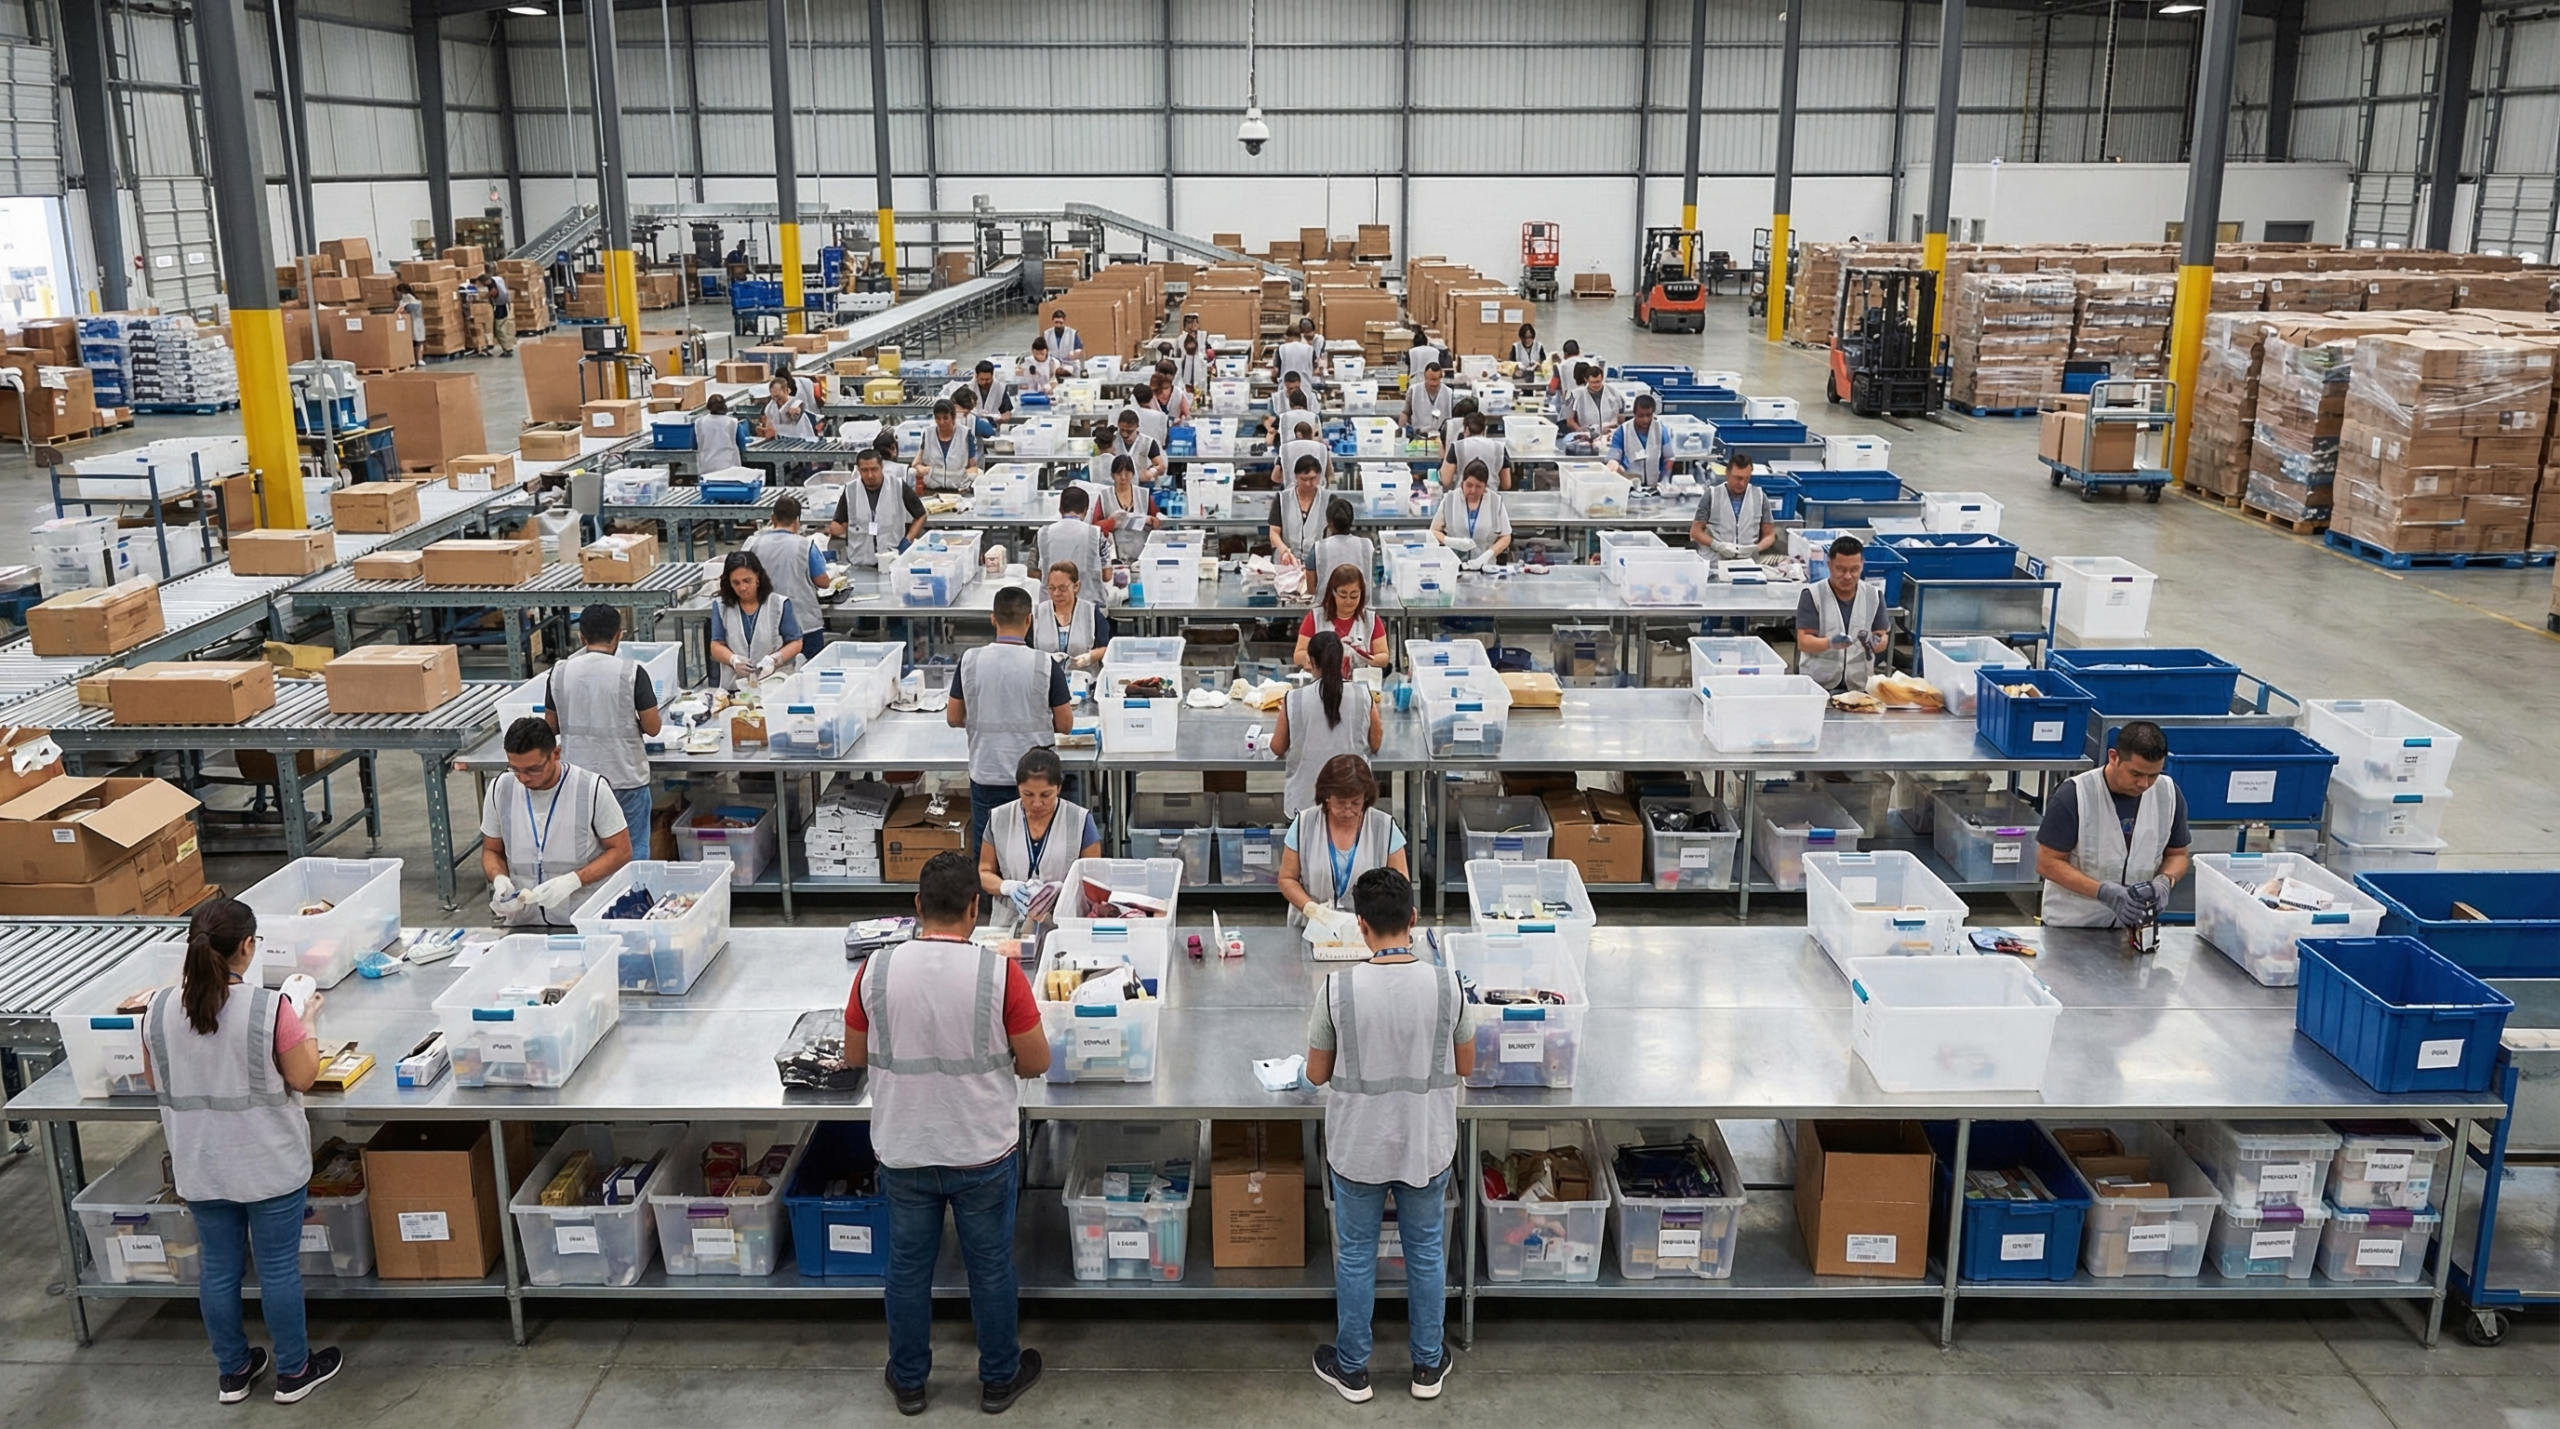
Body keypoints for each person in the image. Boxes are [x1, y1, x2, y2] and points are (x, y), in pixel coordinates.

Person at [843, 851, 1048, 1418]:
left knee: (907, 1270)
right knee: (990, 1267)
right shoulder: (998, 973)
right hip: (981, 1149)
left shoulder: (875, 970)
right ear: (974, 910)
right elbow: (1035, 1062)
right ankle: (999, 1379)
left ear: (916, 908)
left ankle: (909, 1382)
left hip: (904, 1148)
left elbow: (853, 1055)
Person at [146, 898, 345, 1407]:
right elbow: (303, 1076)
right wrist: (308, 1024)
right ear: (249, 947)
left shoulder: (157, 1008)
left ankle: (233, 1372)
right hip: (268, 1163)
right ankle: (294, 1371)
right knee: (277, 1267)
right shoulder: (268, 1007)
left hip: (200, 1164)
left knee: (218, 1268)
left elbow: (156, 1081)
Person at [1305, 866, 1465, 1405]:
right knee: (1424, 1251)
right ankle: (1426, 1366)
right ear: (1414, 920)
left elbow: (1315, 1074)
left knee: (1355, 1254)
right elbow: (1465, 1061)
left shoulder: (1338, 987)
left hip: (1359, 1149)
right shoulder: (1449, 984)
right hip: (1426, 1142)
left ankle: (1352, 1368)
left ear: (1360, 926)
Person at [949, 585, 1076, 847]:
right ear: (1029, 619)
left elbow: (953, 716)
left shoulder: (970, 660)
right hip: (1036, 782)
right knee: (1038, 851)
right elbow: (1065, 724)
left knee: (989, 856)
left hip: (987, 772)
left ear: (993, 619)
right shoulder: (1045, 663)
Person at [2037, 720, 2193, 929]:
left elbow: (2177, 854)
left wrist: (2165, 881)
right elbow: (2047, 863)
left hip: (2132, 931)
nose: (2144, 784)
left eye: (2153, 775)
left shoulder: (2168, 795)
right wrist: (2103, 892)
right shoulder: (2076, 794)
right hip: (2072, 927)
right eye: (2136, 774)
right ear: (2113, 757)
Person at [479, 716, 633, 927]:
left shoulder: (591, 789)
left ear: (556, 754)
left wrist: (574, 880)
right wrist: (499, 878)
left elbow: (621, 850)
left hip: (582, 920)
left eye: (533, 769)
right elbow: (492, 850)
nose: (523, 778)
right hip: (525, 923)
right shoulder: (500, 790)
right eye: (515, 769)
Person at [544, 604, 663, 841]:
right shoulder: (632, 672)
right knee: (632, 852)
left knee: (586, 853)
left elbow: (550, 728)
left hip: (577, 780)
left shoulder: (559, 672)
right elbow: (653, 727)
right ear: (619, 634)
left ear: (581, 636)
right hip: (624, 778)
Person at [1278, 755, 1410, 934]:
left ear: (1366, 797)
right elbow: (1287, 878)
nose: (1348, 811)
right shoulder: (1304, 824)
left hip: (1368, 931)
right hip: (1310, 928)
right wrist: (1312, 909)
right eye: (1340, 803)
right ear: (1326, 796)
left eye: (1356, 803)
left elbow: (1401, 885)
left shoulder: (1385, 827)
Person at [1274, 632, 1384, 816]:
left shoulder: (1294, 698)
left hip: (1305, 802)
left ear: (1311, 661)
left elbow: (1277, 747)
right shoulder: (1363, 694)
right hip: (1351, 802)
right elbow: (1375, 743)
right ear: (1341, 660)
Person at [977, 745, 1101, 905]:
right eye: (1027, 794)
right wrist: (1007, 886)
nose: (1036, 803)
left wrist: (1065, 889)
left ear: (1059, 788)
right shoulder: (999, 818)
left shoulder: (1080, 820)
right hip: (1010, 919)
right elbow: (984, 872)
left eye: (1045, 794)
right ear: (1018, 788)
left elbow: (1093, 879)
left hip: (1062, 917)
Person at [1794, 534, 1889, 694]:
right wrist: (1830, 643)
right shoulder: (1813, 594)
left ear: (1862, 565)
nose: (1847, 576)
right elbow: (1803, 641)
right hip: (1819, 685)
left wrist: (1875, 643)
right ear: (1829, 565)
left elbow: (1883, 635)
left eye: (1854, 570)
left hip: (1859, 685)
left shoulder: (1874, 596)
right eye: (1841, 569)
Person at [709, 549, 807, 690]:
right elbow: (716, 645)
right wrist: (733, 660)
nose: (742, 588)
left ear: (758, 578)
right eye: (736, 583)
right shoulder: (721, 607)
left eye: (747, 581)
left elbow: (796, 642)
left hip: (772, 685)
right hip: (734, 688)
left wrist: (774, 659)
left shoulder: (779, 604)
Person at [743, 493, 829, 644]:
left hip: (766, 622)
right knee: (809, 666)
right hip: (803, 622)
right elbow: (823, 582)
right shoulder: (805, 545)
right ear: (797, 521)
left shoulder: (755, 545)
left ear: (773, 519)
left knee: (771, 666)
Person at [830, 447, 929, 566]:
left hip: (892, 557)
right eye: (865, 470)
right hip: (860, 560)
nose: (870, 475)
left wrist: (908, 540)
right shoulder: (851, 490)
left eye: (874, 469)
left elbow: (921, 515)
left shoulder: (897, 485)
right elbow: (838, 522)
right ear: (858, 470)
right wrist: (840, 529)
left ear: (882, 467)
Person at [1295, 563, 1391, 674]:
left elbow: (1384, 658)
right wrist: (1320, 658)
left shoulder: (1371, 620)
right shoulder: (1316, 617)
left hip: (1359, 683)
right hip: (1322, 683)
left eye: (1354, 596)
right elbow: (1298, 656)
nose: (1348, 601)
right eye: (1343, 595)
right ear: (1333, 592)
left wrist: (1363, 657)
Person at [1691, 452, 1776, 559]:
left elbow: (1769, 534)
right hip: (1715, 564)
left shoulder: (1759, 496)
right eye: (1738, 478)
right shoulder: (1712, 495)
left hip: (1747, 563)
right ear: (1727, 473)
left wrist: (1756, 548)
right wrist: (1717, 546)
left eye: (1746, 478)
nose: (1742, 483)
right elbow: (1695, 532)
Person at [1430, 461, 1512, 566]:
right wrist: (1449, 541)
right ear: (1462, 483)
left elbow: (1505, 536)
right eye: (1469, 485)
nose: (1473, 490)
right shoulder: (1449, 500)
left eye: (1478, 486)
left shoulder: (1495, 501)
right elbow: (1434, 531)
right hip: (1454, 565)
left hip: (1486, 567)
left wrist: (1487, 556)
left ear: (1485, 487)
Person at [1032, 560, 1110, 668]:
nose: (1056, 593)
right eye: (1051, 588)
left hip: (1084, 679)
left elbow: (1107, 648)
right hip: (1046, 679)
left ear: (1076, 586)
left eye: (1062, 588)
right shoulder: (1036, 614)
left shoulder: (1091, 613)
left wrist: (1090, 657)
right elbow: (1026, 651)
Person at [1038, 485, 1109, 598]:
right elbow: (1107, 575)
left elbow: (1038, 572)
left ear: (1060, 510)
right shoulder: (1096, 534)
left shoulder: (1043, 533)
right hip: (1088, 605)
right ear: (1086, 510)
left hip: (1052, 605)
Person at [1095, 453, 1158, 565]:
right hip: (1115, 558)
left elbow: (1158, 523)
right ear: (1112, 475)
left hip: (1142, 556)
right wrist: (1111, 523)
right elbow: (1095, 527)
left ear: (1133, 474)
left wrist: (1152, 521)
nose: (1123, 477)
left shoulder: (1144, 495)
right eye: (1119, 473)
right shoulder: (1104, 496)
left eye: (1127, 473)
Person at [1269, 453, 1330, 567]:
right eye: (1304, 479)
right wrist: (1284, 550)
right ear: (1296, 477)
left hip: (1318, 563)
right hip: (1287, 562)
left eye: (1313, 478)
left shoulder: (1328, 499)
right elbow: (1274, 532)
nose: (1308, 483)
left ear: (1319, 476)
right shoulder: (1283, 499)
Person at [1306, 498, 1374, 599]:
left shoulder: (1318, 549)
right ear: (1351, 520)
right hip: (1360, 611)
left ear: (1329, 523)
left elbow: (1311, 590)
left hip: (1327, 612)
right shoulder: (1366, 545)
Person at [914, 399, 982, 494]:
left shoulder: (965, 434)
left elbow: (973, 467)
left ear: (953, 417)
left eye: (945, 418)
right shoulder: (928, 433)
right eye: (938, 418)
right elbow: (916, 464)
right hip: (932, 489)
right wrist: (921, 469)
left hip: (959, 490)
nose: (942, 422)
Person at [1440, 409, 1511, 493]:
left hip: (1462, 498)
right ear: (1484, 430)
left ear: (1466, 429)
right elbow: (1506, 484)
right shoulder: (1500, 447)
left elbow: (1446, 481)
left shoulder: (1457, 447)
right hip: (1490, 498)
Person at [1607, 392, 1671, 485]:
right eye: (1641, 416)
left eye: (1649, 415)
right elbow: (1614, 455)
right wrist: (1613, 463)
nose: (1645, 420)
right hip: (1630, 484)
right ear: (1634, 413)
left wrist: (1665, 478)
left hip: (1654, 484)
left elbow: (1669, 458)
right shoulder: (1623, 431)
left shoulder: (1660, 429)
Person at [1104, 408, 1167, 487]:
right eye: (1122, 430)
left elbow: (1161, 467)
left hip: (1140, 486)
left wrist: (1151, 472)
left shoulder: (1148, 442)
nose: (1125, 435)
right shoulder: (1111, 440)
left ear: (1137, 426)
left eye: (1129, 431)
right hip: (1115, 485)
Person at [1560, 362, 1623, 439]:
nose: (1596, 385)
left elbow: (1621, 415)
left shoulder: (1614, 392)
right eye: (1593, 382)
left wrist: (1614, 429)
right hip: (1586, 435)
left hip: (1609, 435)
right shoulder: (1575, 395)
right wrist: (1582, 433)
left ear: (1602, 378)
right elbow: (1570, 421)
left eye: (1598, 382)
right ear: (1586, 380)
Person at [1277, 412, 1331, 490]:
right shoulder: (1322, 449)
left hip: (1291, 491)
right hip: (1317, 492)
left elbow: (1275, 477)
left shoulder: (1285, 449)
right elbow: (1330, 476)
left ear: (1297, 434)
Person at [1403, 362, 1455, 438]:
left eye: (1438, 379)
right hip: (1418, 436)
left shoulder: (1449, 393)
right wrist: (1402, 431)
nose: (1435, 383)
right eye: (1433, 379)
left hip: (1441, 437)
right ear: (1425, 377)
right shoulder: (1414, 390)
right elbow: (1405, 413)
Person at [694, 393, 744, 472]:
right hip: (729, 467)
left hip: (706, 467)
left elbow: (693, 445)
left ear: (708, 407)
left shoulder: (699, 423)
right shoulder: (733, 423)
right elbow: (742, 444)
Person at [761, 374, 819, 441]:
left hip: (800, 440)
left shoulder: (795, 402)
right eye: (773, 397)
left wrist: (796, 410)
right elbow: (769, 427)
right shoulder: (770, 407)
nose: (776, 400)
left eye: (778, 397)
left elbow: (799, 407)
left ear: (787, 391)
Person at [1276, 319, 1320, 388]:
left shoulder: (1282, 349)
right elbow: (1315, 368)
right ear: (1300, 337)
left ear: (1286, 337)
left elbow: (1275, 372)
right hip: (1305, 390)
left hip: (1286, 390)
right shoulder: (1309, 349)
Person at [484, 271, 515, 356]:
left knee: (499, 329)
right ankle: (508, 347)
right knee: (502, 328)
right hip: (504, 305)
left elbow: (494, 292)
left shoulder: (492, 287)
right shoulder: (497, 279)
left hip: (500, 306)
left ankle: (507, 349)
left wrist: (487, 296)